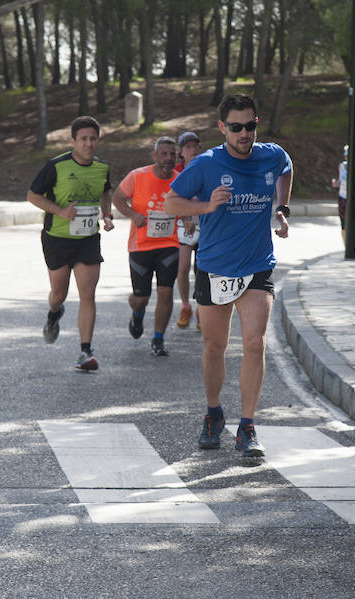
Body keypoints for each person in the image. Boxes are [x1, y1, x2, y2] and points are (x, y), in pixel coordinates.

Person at [164, 94, 292, 458]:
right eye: (236, 127)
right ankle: (213, 412)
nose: (244, 133)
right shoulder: (206, 165)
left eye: (250, 126)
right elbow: (172, 203)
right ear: (222, 128)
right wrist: (206, 206)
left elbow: (287, 167)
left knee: (254, 343)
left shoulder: (271, 154)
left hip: (256, 265)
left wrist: (281, 207)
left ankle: (247, 425)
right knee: (214, 347)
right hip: (214, 266)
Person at [27, 116, 115, 371]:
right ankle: (54, 314)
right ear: (73, 141)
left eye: (93, 139)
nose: (89, 144)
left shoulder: (102, 167)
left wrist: (107, 215)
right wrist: (61, 211)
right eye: (83, 139)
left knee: (88, 294)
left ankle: (85, 352)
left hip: (88, 240)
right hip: (57, 239)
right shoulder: (56, 166)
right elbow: (32, 195)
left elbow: (106, 191)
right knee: (59, 294)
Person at [111, 137, 180, 357]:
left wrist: (188, 219)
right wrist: (133, 214)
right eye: (164, 154)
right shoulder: (137, 176)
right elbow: (118, 198)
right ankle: (137, 313)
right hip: (140, 246)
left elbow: (188, 203)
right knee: (141, 297)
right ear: (155, 156)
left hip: (169, 244)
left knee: (166, 292)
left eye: (172, 154)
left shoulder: (180, 180)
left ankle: (158, 339)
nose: (169, 158)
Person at [173, 131, 203, 330]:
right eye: (188, 147)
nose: (192, 150)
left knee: (202, 269)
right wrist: (185, 219)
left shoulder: (206, 167)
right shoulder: (176, 171)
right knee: (183, 267)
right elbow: (172, 201)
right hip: (185, 225)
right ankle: (185, 305)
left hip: (205, 225)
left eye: (195, 146)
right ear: (181, 152)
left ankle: (202, 308)